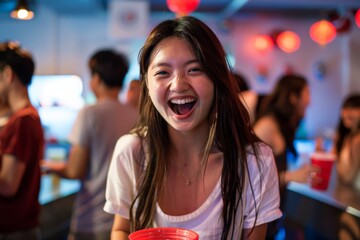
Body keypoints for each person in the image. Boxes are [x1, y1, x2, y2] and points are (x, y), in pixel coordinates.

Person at [104, 16, 282, 240]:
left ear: (217, 79)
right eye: (162, 72)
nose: (178, 84)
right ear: (147, 85)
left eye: (195, 69)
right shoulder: (132, 151)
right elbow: (121, 229)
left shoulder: (254, 161)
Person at [42, 49, 139, 240]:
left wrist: (48, 167)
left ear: (97, 78)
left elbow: (75, 170)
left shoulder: (90, 113)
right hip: (124, 220)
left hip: (91, 219)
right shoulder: (134, 114)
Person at [253, 74, 314, 239]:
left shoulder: (282, 124)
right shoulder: (267, 126)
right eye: (307, 94)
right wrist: (290, 176)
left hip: (273, 214)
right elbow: (250, 179)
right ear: (293, 98)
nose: (310, 101)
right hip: (260, 218)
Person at [0, 41, 45, 239]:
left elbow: (8, 185)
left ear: (8, 74)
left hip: (15, 232)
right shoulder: (27, 116)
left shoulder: (22, 121)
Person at [333, 94, 360, 189]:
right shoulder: (347, 137)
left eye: (353, 108)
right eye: (345, 108)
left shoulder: (357, 140)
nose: (347, 112)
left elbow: (348, 177)